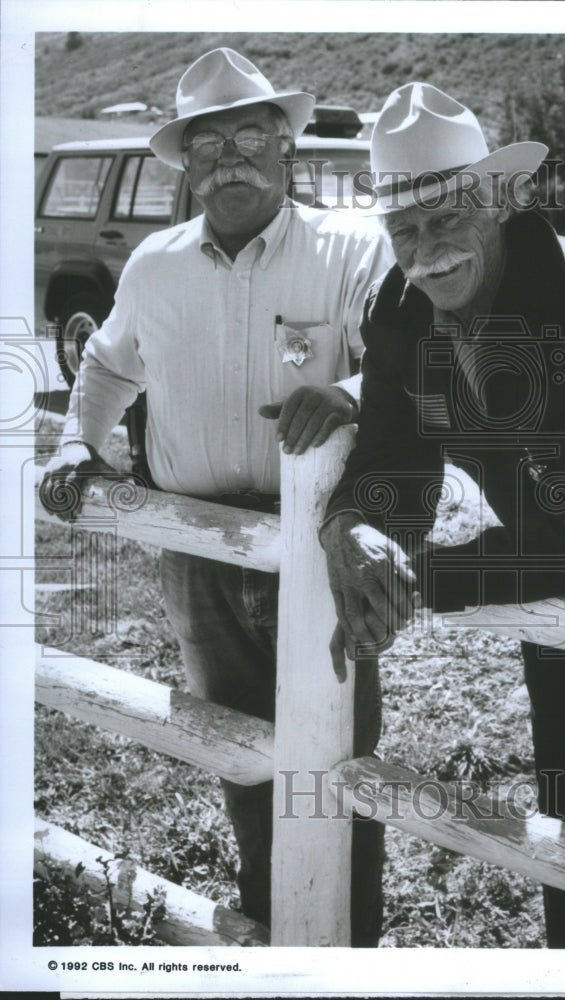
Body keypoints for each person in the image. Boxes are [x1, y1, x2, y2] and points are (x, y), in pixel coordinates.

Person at [320, 82, 565, 948]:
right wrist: (352, 526)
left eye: (447, 218)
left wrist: (416, 581)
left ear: (499, 202)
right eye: (404, 229)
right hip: (544, 525)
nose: (425, 253)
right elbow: (393, 455)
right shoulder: (397, 312)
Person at [39, 48, 392, 946]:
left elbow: (408, 360)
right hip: (195, 547)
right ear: (187, 165)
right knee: (241, 752)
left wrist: (351, 392)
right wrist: (80, 437)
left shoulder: (352, 246)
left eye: (248, 137)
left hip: (320, 547)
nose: (229, 157)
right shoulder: (155, 265)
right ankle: (269, 929)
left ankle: (349, 943)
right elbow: (108, 364)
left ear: (286, 149)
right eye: (210, 144)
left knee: (337, 757)